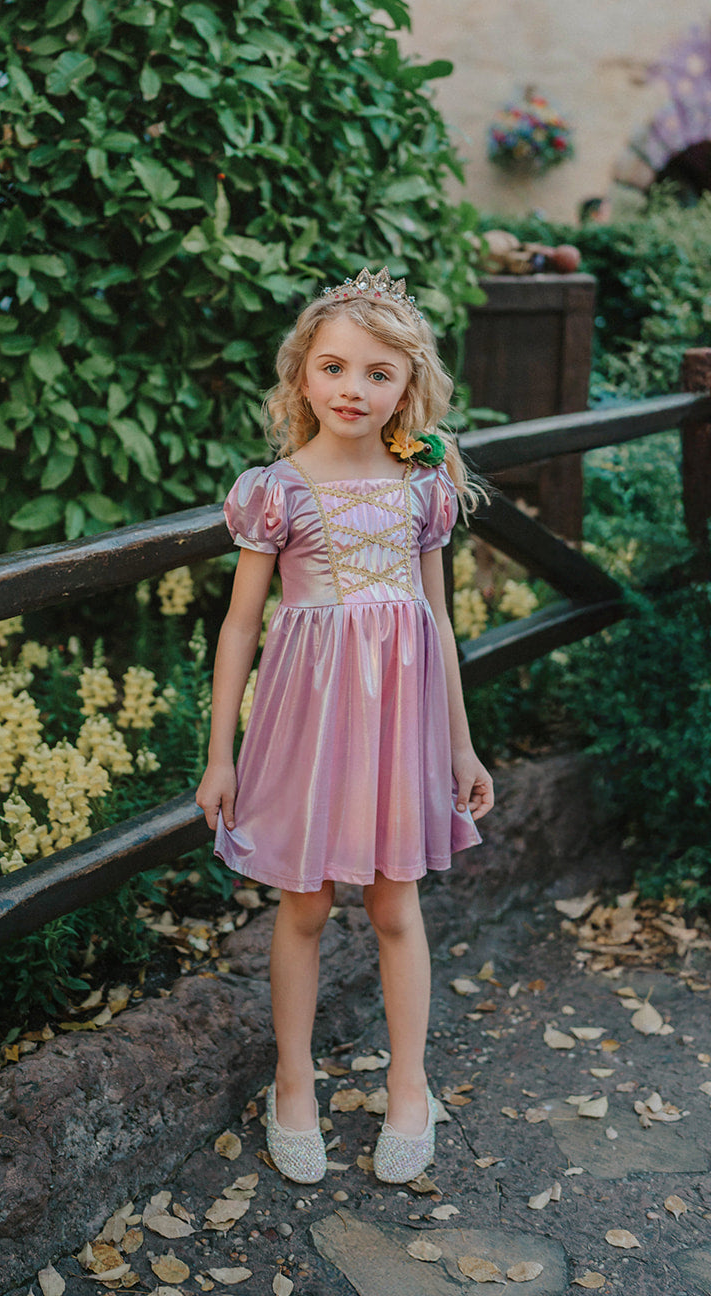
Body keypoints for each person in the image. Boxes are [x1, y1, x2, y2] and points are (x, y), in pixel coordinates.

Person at [195, 267, 494, 1187]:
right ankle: (294, 1084)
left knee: (394, 902)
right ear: (301, 378)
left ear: (409, 387)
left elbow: (436, 623)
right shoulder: (274, 490)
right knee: (308, 902)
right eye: (333, 367)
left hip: (400, 724)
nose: (352, 390)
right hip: (306, 721)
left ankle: (410, 1086)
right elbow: (241, 624)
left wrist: (458, 743)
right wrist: (221, 755)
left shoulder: (423, 490)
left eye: (377, 374)